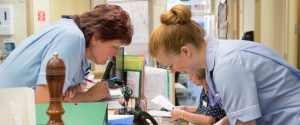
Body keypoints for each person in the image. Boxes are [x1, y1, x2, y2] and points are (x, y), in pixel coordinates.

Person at [148, 4, 300, 125]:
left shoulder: (227, 66)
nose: (173, 71)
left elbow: (245, 123)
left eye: (170, 65)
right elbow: (239, 112)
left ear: (186, 51)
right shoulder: (214, 65)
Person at [0, 4, 133, 104]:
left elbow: (74, 93)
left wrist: (76, 93)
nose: (115, 54)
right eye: (114, 47)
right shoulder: (72, 37)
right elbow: (44, 102)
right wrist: (89, 96)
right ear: (96, 38)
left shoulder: (84, 54)